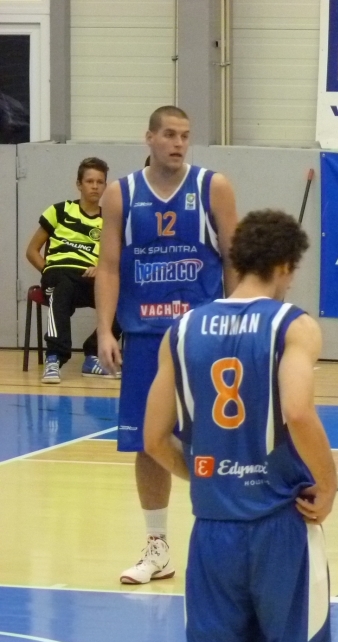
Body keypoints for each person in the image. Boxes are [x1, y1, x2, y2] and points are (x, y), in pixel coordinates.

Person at [143, 210, 335, 642]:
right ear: (285, 265)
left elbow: (154, 439)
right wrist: (329, 484)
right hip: (281, 528)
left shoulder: (181, 330)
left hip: (213, 531)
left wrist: (206, 475)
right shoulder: (294, 325)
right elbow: (298, 411)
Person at [95, 105, 238, 584]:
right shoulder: (121, 194)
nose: (178, 143)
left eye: (185, 135)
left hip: (201, 337)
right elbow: (109, 267)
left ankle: (220, 543)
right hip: (145, 338)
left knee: (213, 440)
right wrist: (104, 330)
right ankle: (157, 547)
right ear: (150, 138)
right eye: (170, 135)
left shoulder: (213, 187)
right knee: (147, 442)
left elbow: (235, 259)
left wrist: (238, 323)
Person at [24, 157, 121, 383]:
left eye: (100, 182)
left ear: (105, 186)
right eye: (89, 181)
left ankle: (93, 355)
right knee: (62, 284)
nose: (95, 186)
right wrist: (48, 270)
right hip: (58, 274)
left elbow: (115, 258)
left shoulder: (110, 219)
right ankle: (54, 358)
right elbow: (32, 251)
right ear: (79, 184)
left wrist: (101, 268)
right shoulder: (59, 211)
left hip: (90, 278)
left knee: (126, 299)